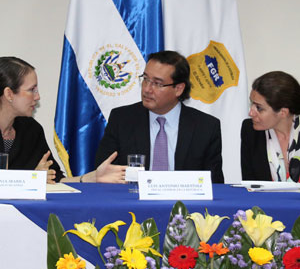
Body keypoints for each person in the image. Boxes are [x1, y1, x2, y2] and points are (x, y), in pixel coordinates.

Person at [95, 50, 224, 183]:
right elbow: (103, 174)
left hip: (184, 203)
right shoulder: (121, 120)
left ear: (178, 89)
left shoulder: (206, 127)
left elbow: (215, 185)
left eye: (157, 83)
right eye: (145, 79)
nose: (147, 89)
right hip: (133, 201)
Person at [0, 56, 126, 184]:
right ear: (9, 94)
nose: (38, 97)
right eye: (31, 90)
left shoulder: (31, 129)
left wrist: (92, 178)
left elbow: (56, 179)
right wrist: (30, 179)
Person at [241, 71, 300, 182]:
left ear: (283, 112)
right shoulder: (250, 130)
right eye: (252, 103)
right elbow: (251, 185)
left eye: (259, 108)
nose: (251, 113)